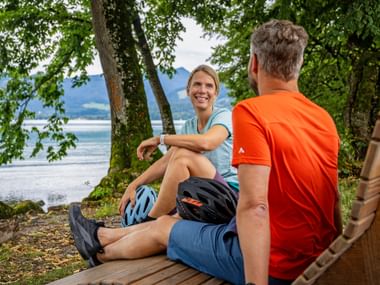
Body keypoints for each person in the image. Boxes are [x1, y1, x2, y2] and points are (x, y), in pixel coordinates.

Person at [69, 20, 342, 285]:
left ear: (254, 63)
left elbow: (255, 206)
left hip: (272, 264)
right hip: (317, 258)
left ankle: (99, 252)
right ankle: (100, 236)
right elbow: (334, 201)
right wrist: (336, 262)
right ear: (300, 64)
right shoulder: (323, 119)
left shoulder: (252, 111)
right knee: (169, 222)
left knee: (164, 228)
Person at [118, 64, 238, 221]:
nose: (202, 90)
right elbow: (166, 161)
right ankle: (153, 224)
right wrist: (134, 184)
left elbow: (207, 143)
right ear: (188, 91)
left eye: (209, 86)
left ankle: (150, 221)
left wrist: (159, 139)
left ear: (215, 93)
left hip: (229, 195)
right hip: (203, 194)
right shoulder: (189, 126)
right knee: (178, 155)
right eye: (197, 84)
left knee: (183, 155)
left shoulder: (224, 116)